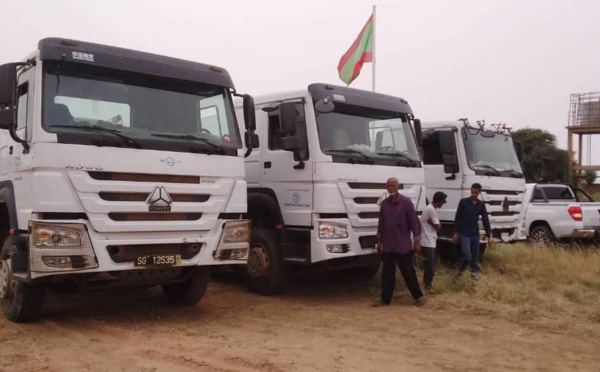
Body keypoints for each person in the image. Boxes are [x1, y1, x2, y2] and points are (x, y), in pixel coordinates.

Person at [372, 177, 424, 307]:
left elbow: (414, 222)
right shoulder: (384, 204)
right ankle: (385, 300)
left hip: (403, 245)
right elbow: (381, 223)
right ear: (386, 187)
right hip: (388, 245)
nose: (391, 188)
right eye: (389, 186)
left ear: (398, 186)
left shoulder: (406, 202)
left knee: (408, 272)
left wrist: (417, 240)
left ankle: (418, 297)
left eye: (393, 185)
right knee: (387, 274)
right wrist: (379, 240)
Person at [452, 183, 492, 280]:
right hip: (464, 233)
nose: (473, 194)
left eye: (475, 192)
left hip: (475, 234)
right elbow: (457, 217)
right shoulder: (463, 202)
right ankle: (464, 272)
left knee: (474, 256)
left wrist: (488, 235)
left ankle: (472, 276)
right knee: (467, 255)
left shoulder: (481, 205)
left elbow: (485, 219)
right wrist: (456, 232)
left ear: (479, 192)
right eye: (472, 191)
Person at [420, 192, 446, 292]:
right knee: (430, 266)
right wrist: (435, 225)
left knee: (429, 265)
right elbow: (438, 227)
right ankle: (428, 286)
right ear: (439, 201)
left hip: (428, 240)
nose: (443, 204)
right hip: (428, 241)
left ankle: (427, 285)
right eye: (442, 202)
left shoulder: (429, 208)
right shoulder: (431, 210)